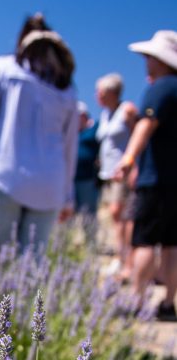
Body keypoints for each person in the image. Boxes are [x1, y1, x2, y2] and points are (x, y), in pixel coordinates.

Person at [0, 14, 78, 253]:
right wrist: (67, 195)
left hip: (3, 175)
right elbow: (70, 146)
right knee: (31, 266)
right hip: (49, 186)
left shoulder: (3, 68)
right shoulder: (67, 89)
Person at [115, 30, 177, 321]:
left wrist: (128, 159)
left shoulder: (161, 87)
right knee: (171, 244)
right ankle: (168, 303)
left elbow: (145, 125)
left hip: (156, 179)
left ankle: (137, 301)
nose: (145, 62)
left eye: (149, 57)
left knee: (143, 241)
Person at [95, 73, 138, 279]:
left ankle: (128, 262)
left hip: (124, 171)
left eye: (100, 91)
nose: (97, 95)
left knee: (122, 215)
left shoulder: (127, 110)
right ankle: (121, 258)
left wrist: (134, 165)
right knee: (115, 216)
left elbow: (139, 136)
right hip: (108, 173)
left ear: (112, 92)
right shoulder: (105, 114)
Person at [74, 101, 101, 243]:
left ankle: (91, 244)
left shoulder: (93, 129)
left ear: (83, 115)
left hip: (88, 179)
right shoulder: (73, 133)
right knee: (70, 214)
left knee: (89, 214)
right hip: (71, 180)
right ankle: (67, 244)